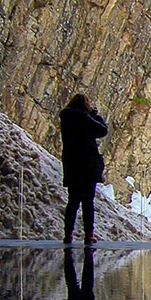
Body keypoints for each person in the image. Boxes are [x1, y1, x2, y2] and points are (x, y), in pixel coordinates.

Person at [60, 93, 108, 245]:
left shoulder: (66, 119)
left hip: (72, 164)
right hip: (87, 165)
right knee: (88, 202)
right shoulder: (84, 119)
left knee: (72, 202)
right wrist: (95, 115)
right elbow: (102, 130)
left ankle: (68, 234)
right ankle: (88, 235)